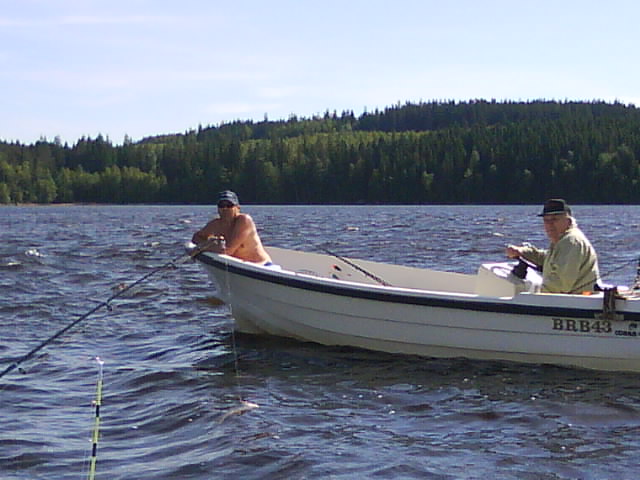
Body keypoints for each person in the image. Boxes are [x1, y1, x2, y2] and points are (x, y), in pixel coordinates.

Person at [505, 198, 600, 294]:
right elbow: (547, 259)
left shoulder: (570, 241)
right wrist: (522, 252)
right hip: (570, 299)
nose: (550, 224)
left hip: (573, 300)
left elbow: (560, 285)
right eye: (546, 220)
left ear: (568, 221)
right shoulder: (563, 239)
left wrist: (533, 295)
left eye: (555, 219)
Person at [192, 190, 272, 264]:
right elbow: (196, 237)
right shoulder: (215, 224)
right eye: (221, 205)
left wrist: (201, 248)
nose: (225, 208)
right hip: (237, 265)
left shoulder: (244, 220)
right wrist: (208, 244)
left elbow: (227, 251)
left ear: (238, 208)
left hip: (262, 266)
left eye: (229, 205)